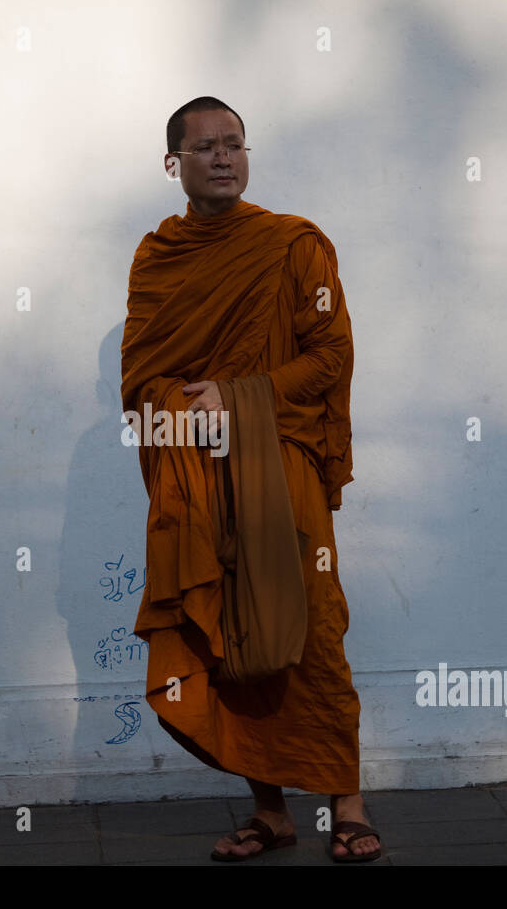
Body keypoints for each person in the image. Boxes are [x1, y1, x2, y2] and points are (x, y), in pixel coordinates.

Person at [120, 96, 381, 862]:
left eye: (235, 144)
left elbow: (331, 357)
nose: (224, 157)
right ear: (175, 164)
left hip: (281, 469)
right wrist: (187, 408)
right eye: (205, 147)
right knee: (228, 635)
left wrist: (238, 397)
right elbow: (140, 380)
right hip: (202, 479)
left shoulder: (293, 247)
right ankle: (270, 812)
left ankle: (350, 804)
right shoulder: (157, 259)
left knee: (314, 629)